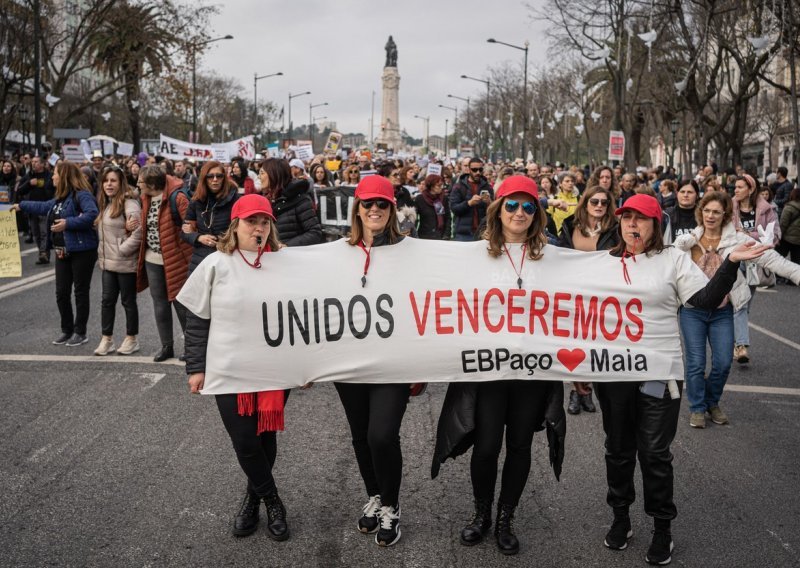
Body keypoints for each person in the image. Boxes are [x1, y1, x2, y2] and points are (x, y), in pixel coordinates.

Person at [596, 193, 767, 566]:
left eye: (641, 219)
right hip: (611, 374)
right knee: (618, 450)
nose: (632, 226)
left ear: (656, 224)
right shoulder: (601, 263)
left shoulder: (672, 259)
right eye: (626, 218)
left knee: (655, 455)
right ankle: (621, 519)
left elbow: (704, 300)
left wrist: (730, 263)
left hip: (659, 375)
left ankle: (662, 530)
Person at [446, 175, 559, 556]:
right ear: (498, 209)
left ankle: (505, 518)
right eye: (512, 204)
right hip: (490, 370)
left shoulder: (552, 255)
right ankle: (481, 514)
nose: (520, 212)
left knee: (520, 446)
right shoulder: (475, 254)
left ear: (537, 213)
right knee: (487, 446)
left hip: (532, 371)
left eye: (529, 206)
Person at [179, 194, 290, 541]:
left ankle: (251, 499)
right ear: (236, 225)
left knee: (265, 434)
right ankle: (271, 499)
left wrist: (307, 365)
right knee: (244, 439)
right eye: (250, 221)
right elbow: (197, 319)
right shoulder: (216, 263)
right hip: (228, 366)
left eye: (264, 222)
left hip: (275, 368)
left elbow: (307, 314)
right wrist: (195, 368)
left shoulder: (286, 263)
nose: (258, 228)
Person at [674, 192, 800, 428]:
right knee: (696, 364)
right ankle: (698, 407)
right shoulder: (687, 242)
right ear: (700, 212)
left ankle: (712, 402)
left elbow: (771, 259)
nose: (711, 216)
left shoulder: (737, 240)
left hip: (723, 310)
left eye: (716, 212)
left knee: (722, 363)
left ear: (725, 215)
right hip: (692, 311)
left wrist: (796, 274)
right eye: (707, 211)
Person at [335, 175, 408, 547]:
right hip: (350, 362)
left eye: (382, 204)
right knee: (362, 436)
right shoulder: (334, 253)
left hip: (393, 362)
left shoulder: (410, 251)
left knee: (382, 434)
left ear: (392, 209)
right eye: (368, 204)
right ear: (357, 209)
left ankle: (392, 505)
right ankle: (376, 495)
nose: (375, 209)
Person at [13, 161, 99, 346]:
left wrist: (68, 223)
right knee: (61, 293)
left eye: (56, 173)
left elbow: (92, 214)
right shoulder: (61, 198)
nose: (52, 176)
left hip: (82, 251)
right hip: (62, 251)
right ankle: (66, 330)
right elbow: (44, 207)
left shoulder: (82, 195)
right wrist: (21, 205)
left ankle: (80, 332)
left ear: (65, 176)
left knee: (80, 292)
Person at [556, 185, 619, 415]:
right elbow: (560, 255)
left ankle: (587, 388)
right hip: (574, 294)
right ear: (585, 203)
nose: (599, 206)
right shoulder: (570, 225)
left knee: (594, 342)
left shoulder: (615, 229)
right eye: (595, 202)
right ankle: (577, 391)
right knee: (575, 344)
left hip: (602, 295)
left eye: (604, 202)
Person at [135, 164, 193, 362]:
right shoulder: (145, 197)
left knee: (181, 303)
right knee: (159, 303)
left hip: (176, 259)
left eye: (141, 182)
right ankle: (166, 346)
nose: (137, 184)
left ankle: (191, 347)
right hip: (153, 258)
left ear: (152, 184)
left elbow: (192, 227)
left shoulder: (178, 198)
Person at [731, 173, 780, 363]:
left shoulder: (767, 209)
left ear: (751, 189)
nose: (736, 190)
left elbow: (775, 235)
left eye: (740, 187)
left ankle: (736, 340)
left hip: (755, 262)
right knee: (740, 303)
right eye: (735, 187)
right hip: (735, 260)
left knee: (744, 303)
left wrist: (748, 234)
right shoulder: (729, 207)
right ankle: (741, 345)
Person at [94, 166, 142, 356]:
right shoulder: (106, 202)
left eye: (113, 180)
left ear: (121, 182)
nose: (109, 184)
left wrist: (122, 249)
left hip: (125, 262)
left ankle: (132, 339)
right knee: (106, 301)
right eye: (106, 181)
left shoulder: (129, 203)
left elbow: (138, 232)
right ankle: (107, 339)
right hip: (108, 263)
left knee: (128, 302)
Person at [181, 160, 240, 277]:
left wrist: (226, 240)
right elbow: (184, 232)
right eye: (210, 176)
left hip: (227, 256)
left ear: (224, 178)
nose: (215, 179)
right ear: (204, 178)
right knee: (198, 293)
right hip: (200, 257)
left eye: (219, 176)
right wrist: (198, 237)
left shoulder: (235, 199)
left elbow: (242, 229)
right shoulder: (196, 200)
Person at [258, 158, 323, 246]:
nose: (259, 177)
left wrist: (287, 246)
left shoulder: (301, 199)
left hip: (293, 257)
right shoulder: (266, 199)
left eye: (262, 173)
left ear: (274, 174)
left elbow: (315, 233)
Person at [16, 155, 55, 264]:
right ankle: (42, 252)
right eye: (32, 162)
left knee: (44, 232)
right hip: (32, 210)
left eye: (36, 162)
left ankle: (44, 253)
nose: (33, 164)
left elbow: (56, 190)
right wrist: (29, 184)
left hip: (45, 208)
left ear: (42, 164)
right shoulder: (29, 176)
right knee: (36, 233)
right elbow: (19, 190)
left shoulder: (49, 176)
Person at [450, 157, 494, 242]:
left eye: (480, 170)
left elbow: (493, 211)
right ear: (469, 170)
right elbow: (454, 209)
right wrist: (469, 203)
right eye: (474, 170)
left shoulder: (487, 187)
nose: (478, 172)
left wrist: (489, 202)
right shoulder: (458, 186)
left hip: (483, 233)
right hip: (463, 234)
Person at [414, 174, 451, 240]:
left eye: (441, 185)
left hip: (440, 237)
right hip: (424, 237)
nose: (441, 187)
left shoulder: (443, 198)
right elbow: (414, 218)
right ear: (431, 186)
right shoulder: (420, 199)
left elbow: (447, 217)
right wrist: (413, 235)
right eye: (438, 185)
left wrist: (446, 235)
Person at [779, 186, 800, 263]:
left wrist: (779, 237)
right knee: (797, 262)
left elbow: (783, 224)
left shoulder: (789, 207)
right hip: (798, 241)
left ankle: (781, 275)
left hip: (787, 239)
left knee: (780, 258)